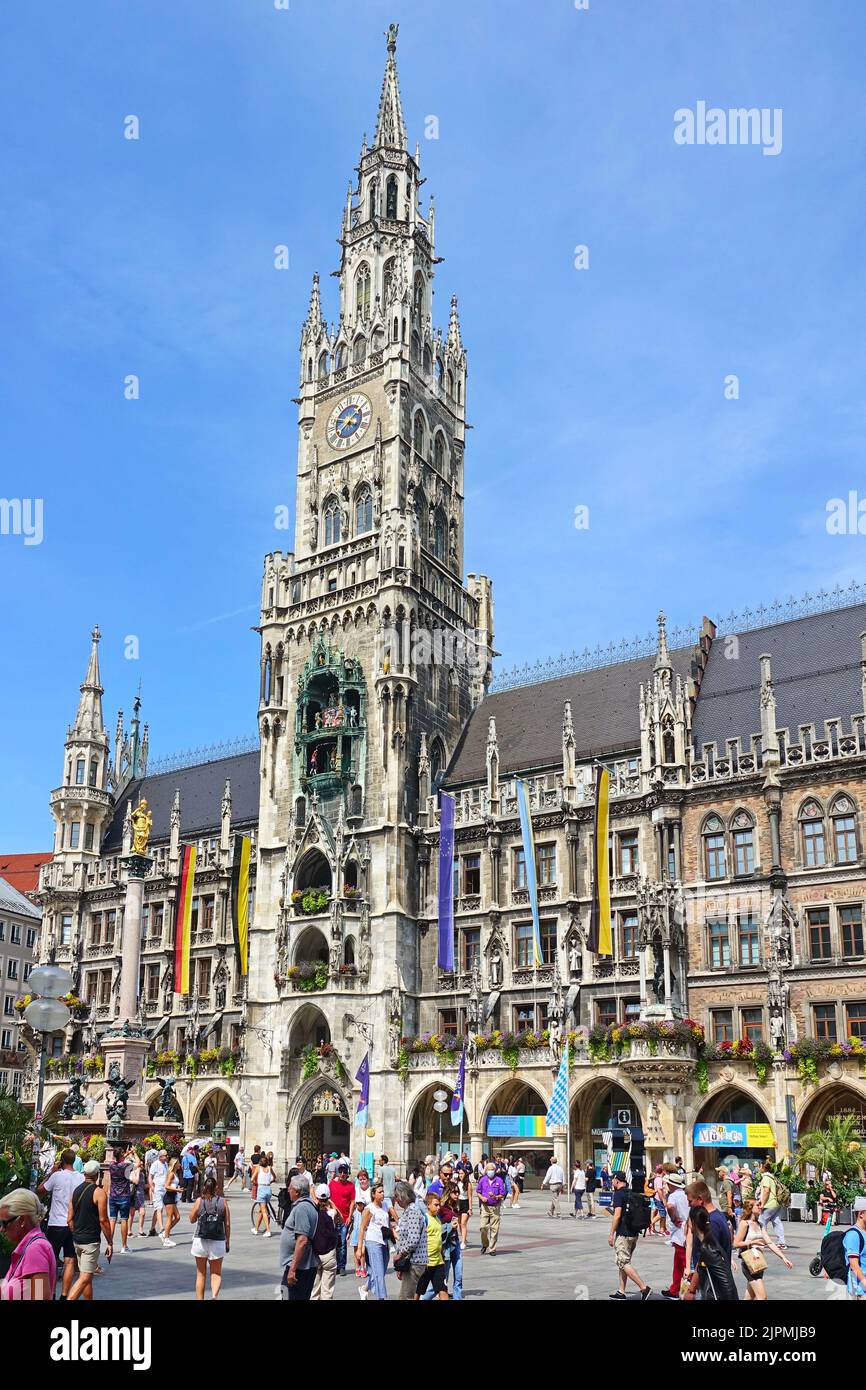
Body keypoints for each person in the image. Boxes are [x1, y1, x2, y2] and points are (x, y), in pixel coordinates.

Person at [39, 1147, 84, 1297]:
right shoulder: (81, 1178)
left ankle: (50, 1293)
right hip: (73, 1224)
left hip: (56, 1223)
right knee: (70, 1260)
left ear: (62, 1161)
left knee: (50, 1261)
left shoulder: (57, 1176)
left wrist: (50, 1174)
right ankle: (64, 1295)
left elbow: (40, 1190)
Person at [0, 1189, 55, 1302]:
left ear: (22, 1220)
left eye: (5, 1223)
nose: (2, 1229)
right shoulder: (29, 1247)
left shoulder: (35, 1249)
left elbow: (40, 1298)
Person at [68, 1160, 112, 1300]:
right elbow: (103, 1220)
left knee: (86, 1276)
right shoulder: (99, 1192)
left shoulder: (76, 1191)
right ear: (98, 1174)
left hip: (77, 1240)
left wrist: (76, 1233)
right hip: (90, 1241)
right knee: (85, 1277)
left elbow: (69, 1218)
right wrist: (110, 1242)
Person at [732, 1197, 792, 1299]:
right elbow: (736, 1243)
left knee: (750, 1296)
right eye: (758, 1205)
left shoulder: (760, 1224)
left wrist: (783, 1257)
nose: (761, 1207)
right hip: (749, 1263)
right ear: (751, 1208)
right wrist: (752, 1243)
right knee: (763, 1297)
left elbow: (769, 1242)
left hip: (758, 1262)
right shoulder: (744, 1223)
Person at [608, 1171, 651, 1300]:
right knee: (624, 1262)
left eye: (612, 1179)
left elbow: (617, 1215)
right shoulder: (630, 1192)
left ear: (616, 1180)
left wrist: (611, 1233)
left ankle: (644, 1288)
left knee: (623, 1262)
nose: (611, 1181)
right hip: (633, 1233)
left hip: (623, 1234)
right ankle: (621, 1291)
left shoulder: (618, 1194)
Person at [280, 1173, 320, 1301]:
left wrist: (293, 1268)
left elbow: (302, 1240)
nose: (288, 1190)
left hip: (300, 1267)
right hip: (302, 1265)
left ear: (297, 1192)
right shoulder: (307, 1205)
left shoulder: (302, 1208)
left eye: (290, 1188)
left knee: (288, 1296)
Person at [189, 1173, 230, 1300]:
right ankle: (214, 1296)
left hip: (200, 1240)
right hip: (218, 1240)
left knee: (200, 1274)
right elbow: (227, 1224)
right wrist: (227, 1242)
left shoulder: (199, 1201)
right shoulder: (223, 1202)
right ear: (216, 1188)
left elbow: (191, 1219)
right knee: (216, 1273)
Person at [686, 1206, 739, 1300]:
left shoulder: (707, 1247)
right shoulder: (709, 1242)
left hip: (720, 1295)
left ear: (693, 1222)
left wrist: (691, 1291)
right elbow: (700, 1265)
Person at [357, 1181, 393, 1301]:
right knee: (378, 1273)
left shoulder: (385, 1206)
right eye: (380, 1192)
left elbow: (388, 1224)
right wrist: (359, 1247)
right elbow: (362, 1228)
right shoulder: (369, 1209)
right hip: (373, 1241)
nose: (382, 1194)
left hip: (384, 1241)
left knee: (380, 1271)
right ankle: (382, 1297)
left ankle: (364, 1288)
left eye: (383, 1191)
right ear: (373, 1194)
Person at [393, 1180, 428, 1300]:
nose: (396, 1200)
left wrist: (400, 1255)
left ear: (403, 1196)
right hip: (411, 1262)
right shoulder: (409, 1210)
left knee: (406, 1297)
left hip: (415, 1262)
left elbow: (413, 1240)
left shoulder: (412, 1211)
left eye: (396, 1196)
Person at [661, 1172, 690, 1299]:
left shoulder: (673, 1196)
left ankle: (688, 1290)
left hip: (680, 1232)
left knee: (684, 1263)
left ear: (671, 1184)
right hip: (687, 1228)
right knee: (678, 1263)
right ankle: (674, 1289)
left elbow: (669, 1206)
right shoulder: (685, 1193)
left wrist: (673, 1218)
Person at [416, 1191, 449, 1300]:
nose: (438, 1207)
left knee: (443, 1290)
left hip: (438, 1262)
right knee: (417, 1291)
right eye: (436, 1205)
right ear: (428, 1205)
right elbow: (418, 1240)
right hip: (426, 1263)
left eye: (439, 1204)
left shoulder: (437, 1219)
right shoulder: (424, 1219)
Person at [310, 1184, 339, 1300]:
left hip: (315, 1253)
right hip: (329, 1253)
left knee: (314, 1289)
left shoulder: (313, 1213)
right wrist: (329, 1201)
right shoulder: (332, 1213)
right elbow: (337, 1211)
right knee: (327, 1292)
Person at [105, 1146, 134, 1254]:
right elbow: (139, 1164)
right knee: (124, 1219)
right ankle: (124, 1246)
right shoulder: (126, 1165)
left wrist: (125, 1154)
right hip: (124, 1196)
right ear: (121, 1156)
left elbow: (117, 1159)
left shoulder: (112, 1165)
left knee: (112, 1219)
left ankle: (109, 1244)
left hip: (113, 1195)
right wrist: (133, 1154)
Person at [329, 1164, 355, 1276]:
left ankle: (342, 1266)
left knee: (343, 1243)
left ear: (347, 1173)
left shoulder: (350, 1186)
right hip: (333, 1219)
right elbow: (328, 1199)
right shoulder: (332, 1184)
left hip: (344, 1219)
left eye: (345, 1172)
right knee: (334, 1243)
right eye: (341, 1172)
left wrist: (350, 1216)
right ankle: (335, 1266)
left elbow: (352, 1202)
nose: (343, 1174)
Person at [476, 1160, 506, 1255]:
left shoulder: (499, 1180)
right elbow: (478, 1191)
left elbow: (502, 1194)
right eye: (489, 1169)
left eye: (492, 1169)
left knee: (494, 1229)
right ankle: (485, 1243)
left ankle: (492, 1249)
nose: (490, 1171)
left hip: (495, 1207)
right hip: (485, 1207)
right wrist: (482, 1198)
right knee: (483, 1227)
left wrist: (496, 1197)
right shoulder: (483, 1180)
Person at [755, 1161, 786, 1248]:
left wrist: (762, 1204)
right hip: (776, 1202)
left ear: (763, 1168)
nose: (759, 1168)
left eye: (760, 1167)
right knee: (776, 1221)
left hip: (769, 1203)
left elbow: (766, 1191)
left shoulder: (765, 1178)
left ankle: (762, 1240)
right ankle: (782, 1243)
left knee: (761, 1221)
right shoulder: (772, 1177)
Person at [350, 1169, 372, 1276]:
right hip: (358, 1217)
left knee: (365, 1245)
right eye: (360, 1179)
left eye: (364, 1179)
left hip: (369, 1217)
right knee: (357, 1244)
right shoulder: (356, 1189)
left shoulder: (371, 1190)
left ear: (368, 1179)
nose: (362, 1181)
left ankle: (365, 1266)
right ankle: (357, 1267)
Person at [844, 1195, 866, 1299]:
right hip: (860, 1291)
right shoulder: (853, 1235)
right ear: (861, 1214)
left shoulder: (864, 1233)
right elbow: (854, 1265)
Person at [147, 1149, 168, 1237]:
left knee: (157, 1209)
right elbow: (150, 1176)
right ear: (161, 1156)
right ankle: (161, 1228)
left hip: (164, 1189)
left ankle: (152, 1228)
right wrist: (151, 1186)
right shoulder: (155, 1164)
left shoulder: (166, 1164)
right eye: (165, 1155)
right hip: (157, 1188)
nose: (167, 1156)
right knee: (159, 1208)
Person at [253, 1153, 275, 1237]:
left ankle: (268, 1230)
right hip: (268, 1189)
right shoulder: (270, 1168)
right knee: (262, 1210)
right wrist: (270, 1182)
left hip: (261, 1189)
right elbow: (274, 1177)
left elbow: (252, 1179)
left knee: (264, 1211)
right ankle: (256, 1229)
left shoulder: (258, 1168)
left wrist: (257, 1182)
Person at [161, 1157, 181, 1246]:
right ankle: (166, 1238)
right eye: (178, 1163)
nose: (180, 1164)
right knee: (169, 1218)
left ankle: (165, 1233)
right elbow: (166, 1186)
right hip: (169, 1197)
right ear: (174, 1164)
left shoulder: (175, 1173)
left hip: (172, 1197)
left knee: (177, 1217)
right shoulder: (171, 1174)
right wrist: (177, 1189)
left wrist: (178, 1189)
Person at [541, 1153, 566, 1218]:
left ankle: (558, 1213)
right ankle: (551, 1211)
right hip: (559, 1185)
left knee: (555, 1199)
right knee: (555, 1198)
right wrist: (563, 1185)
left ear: (551, 1161)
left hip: (554, 1185)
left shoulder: (551, 1168)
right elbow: (563, 1176)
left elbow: (548, 1176)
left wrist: (543, 1184)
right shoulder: (560, 1168)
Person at [129, 1150, 147, 1237]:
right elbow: (136, 1182)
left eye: (142, 1165)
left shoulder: (143, 1174)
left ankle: (140, 1230)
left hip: (141, 1195)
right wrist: (138, 1171)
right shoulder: (133, 1172)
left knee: (142, 1212)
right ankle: (129, 1231)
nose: (142, 1166)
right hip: (133, 1195)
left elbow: (144, 1185)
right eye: (140, 1165)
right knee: (131, 1214)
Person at [456, 1166, 473, 1247]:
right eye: (459, 1174)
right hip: (458, 1203)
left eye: (462, 1173)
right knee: (459, 1223)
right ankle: (464, 1238)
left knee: (463, 1223)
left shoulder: (468, 1184)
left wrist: (470, 1208)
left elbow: (470, 1197)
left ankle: (463, 1242)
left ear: (465, 1174)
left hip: (465, 1203)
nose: (460, 1175)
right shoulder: (457, 1183)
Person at [652, 1165, 669, 1236]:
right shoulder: (659, 1179)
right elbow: (659, 1190)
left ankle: (662, 1229)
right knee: (661, 1214)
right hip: (659, 1198)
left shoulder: (659, 1178)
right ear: (663, 1171)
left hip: (659, 1198)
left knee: (663, 1214)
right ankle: (650, 1225)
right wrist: (663, 1200)